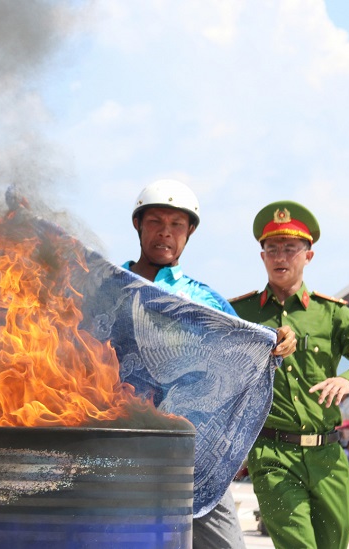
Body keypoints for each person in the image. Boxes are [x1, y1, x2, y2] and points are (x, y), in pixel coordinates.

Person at [124, 179, 296, 549]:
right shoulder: (110, 287)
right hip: (120, 447)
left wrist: (278, 344)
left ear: (189, 234)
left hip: (193, 456)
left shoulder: (204, 301)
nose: (165, 233)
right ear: (138, 226)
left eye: (177, 226)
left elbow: (246, 359)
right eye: (155, 221)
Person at [231, 200, 349, 549]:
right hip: (272, 454)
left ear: (309, 255)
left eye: (290, 248)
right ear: (262, 257)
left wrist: (348, 379)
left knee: (335, 541)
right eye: (272, 249)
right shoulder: (239, 314)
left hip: (328, 455)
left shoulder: (332, 315)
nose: (280, 257)